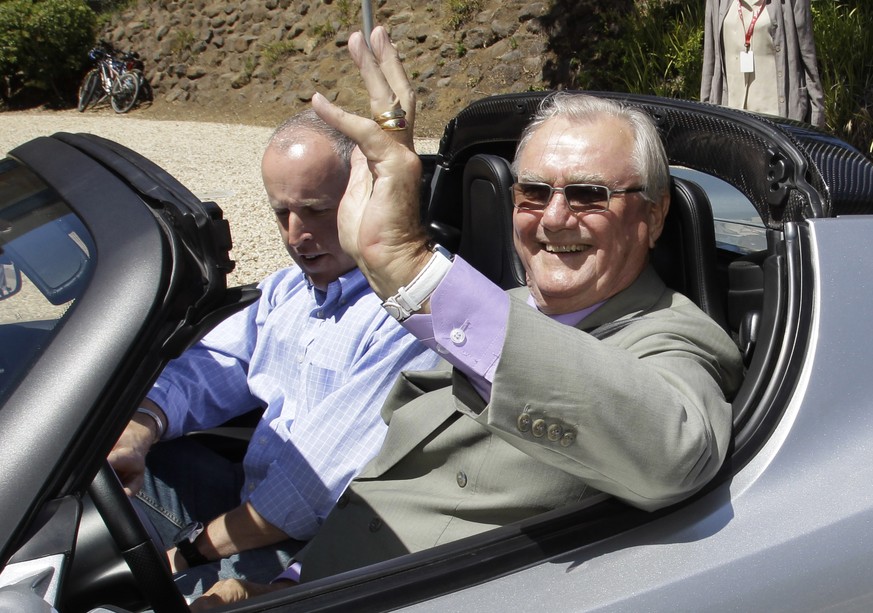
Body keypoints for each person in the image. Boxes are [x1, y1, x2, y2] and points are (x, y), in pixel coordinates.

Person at [192, 26, 743, 609]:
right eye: (533, 193)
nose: (554, 219)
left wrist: (409, 265)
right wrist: (280, 586)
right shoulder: (494, 306)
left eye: (587, 195)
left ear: (653, 218)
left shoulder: (673, 336)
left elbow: (677, 453)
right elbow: (390, 486)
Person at [107, 108, 441, 600]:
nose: (295, 235)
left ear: (367, 193)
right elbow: (219, 363)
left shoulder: (408, 311)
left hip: (312, 546)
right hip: (248, 501)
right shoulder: (290, 289)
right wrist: (140, 427)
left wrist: (189, 554)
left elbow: (307, 496)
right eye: (281, 213)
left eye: (316, 210)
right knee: (95, 461)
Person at [701, 0, 825, 127]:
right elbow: (710, 62)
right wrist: (703, 116)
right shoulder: (716, 2)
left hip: (777, 124)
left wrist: (816, 124)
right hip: (731, 122)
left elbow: (808, 60)